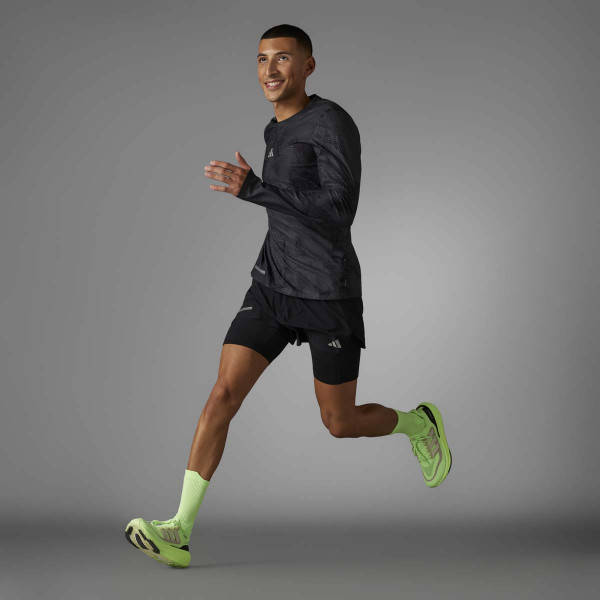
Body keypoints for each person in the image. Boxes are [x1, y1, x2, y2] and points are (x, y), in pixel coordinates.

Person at [125, 23, 452, 568]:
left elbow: (340, 210)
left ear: (307, 66)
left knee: (339, 422)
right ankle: (178, 530)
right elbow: (286, 208)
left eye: (282, 58)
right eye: (261, 59)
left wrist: (256, 189)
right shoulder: (273, 129)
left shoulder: (332, 122)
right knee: (223, 394)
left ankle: (419, 423)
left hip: (327, 292)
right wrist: (261, 193)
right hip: (273, 285)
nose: (270, 69)